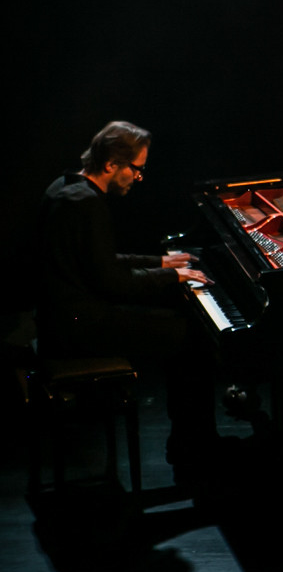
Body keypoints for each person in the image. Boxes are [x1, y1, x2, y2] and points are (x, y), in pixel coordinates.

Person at [37, 121, 222, 483]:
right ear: (111, 165)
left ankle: (191, 443)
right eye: (136, 168)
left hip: (64, 316)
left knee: (179, 326)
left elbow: (99, 261)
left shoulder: (65, 188)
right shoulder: (88, 205)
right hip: (79, 327)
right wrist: (172, 276)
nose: (139, 178)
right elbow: (114, 283)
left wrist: (160, 262)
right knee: (194, 339)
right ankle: (194, 448)